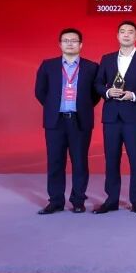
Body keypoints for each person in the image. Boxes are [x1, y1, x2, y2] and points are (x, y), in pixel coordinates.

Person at [34, 28, 100, 214]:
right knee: (55, 162)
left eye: (74, 41)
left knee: (80, 162)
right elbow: (40, 91)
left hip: (80, 121)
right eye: (66, 40)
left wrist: (82, 107)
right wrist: (53, 107)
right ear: (60, 44)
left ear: (81, 45)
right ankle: (56, 201)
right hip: (56, 121)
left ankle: (78, 200)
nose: (70, 43)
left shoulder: (91, 67)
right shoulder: (48, 66)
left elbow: (95, 95)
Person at [94, 20, 136, 214]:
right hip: (111, 116)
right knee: (111, 159)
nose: (126, 34)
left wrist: (134, 95)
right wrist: (107, 92)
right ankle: (111, 200)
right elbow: (97, 84)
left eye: (130, 32)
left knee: (135, 159)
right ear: (117, 36)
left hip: (133, 117)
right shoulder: (107, 59)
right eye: (122, 31)